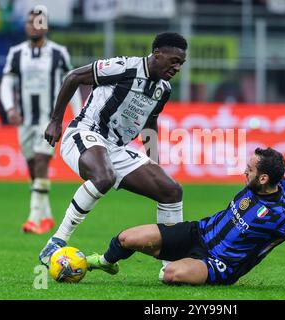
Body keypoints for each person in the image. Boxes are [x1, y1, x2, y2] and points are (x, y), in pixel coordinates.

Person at [86, 147, 285, 287]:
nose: (244, 172)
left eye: (249, 170)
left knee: (169, 274)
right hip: (197, 232)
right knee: (127, 238)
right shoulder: (279, 184)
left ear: (263, 178)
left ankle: (184, 264)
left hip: (220, 264)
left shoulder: (282, 215)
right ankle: (103, 263)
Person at [38, 32, 188, 271]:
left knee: (171, 190)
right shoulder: (123, 67)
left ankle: (171, 265)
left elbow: (149, 124)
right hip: (85, 132)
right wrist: (56, 120)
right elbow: (73, 77)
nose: (177, 67)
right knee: (103, 177)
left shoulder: (164, 90)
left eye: (181, 63)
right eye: (174, 60)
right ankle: (56, 242)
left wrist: (153, 160)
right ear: (157, 53)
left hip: (116, 148)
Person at [0, 7, 82, 234]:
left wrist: (77, 115)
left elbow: (71, 84)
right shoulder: (16, 53)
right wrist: (9, 108)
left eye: (37, 23)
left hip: (50, 120)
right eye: (29, 23)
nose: (32, 26)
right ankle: (46, 216)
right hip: (25, 120)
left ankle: (33, 219)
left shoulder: (58, 53)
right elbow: (7, 83)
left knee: (40, 161)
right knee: (32, 169)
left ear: (45, 26)